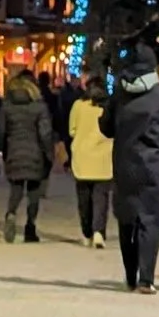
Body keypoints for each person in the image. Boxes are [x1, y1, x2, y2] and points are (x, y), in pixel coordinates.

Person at [100, 44, 159, 294]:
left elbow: (105, 127)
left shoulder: (119, 95)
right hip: (155, 166)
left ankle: (130, 276)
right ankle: (146, 279)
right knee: (151, 219)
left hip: (125, 164)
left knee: (127, 218)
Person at [0, 69, 55, 243]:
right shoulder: (39, 107)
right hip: (35, 153)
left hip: (14, 151)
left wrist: (2, 150)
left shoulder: (7, 107)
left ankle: (11, 213)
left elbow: (0, 131)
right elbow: (45, 133)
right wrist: (49, 153)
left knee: (16, 188)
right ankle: (30, 227)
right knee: (34, 192)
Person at [67, 75, 114, 248]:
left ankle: (87, 231)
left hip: (82, 157)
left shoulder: (78, 106)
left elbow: (72, 130)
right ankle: (98, 231)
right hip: (104, 157)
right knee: (101, 197)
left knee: (84, 198)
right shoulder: (109, 107)